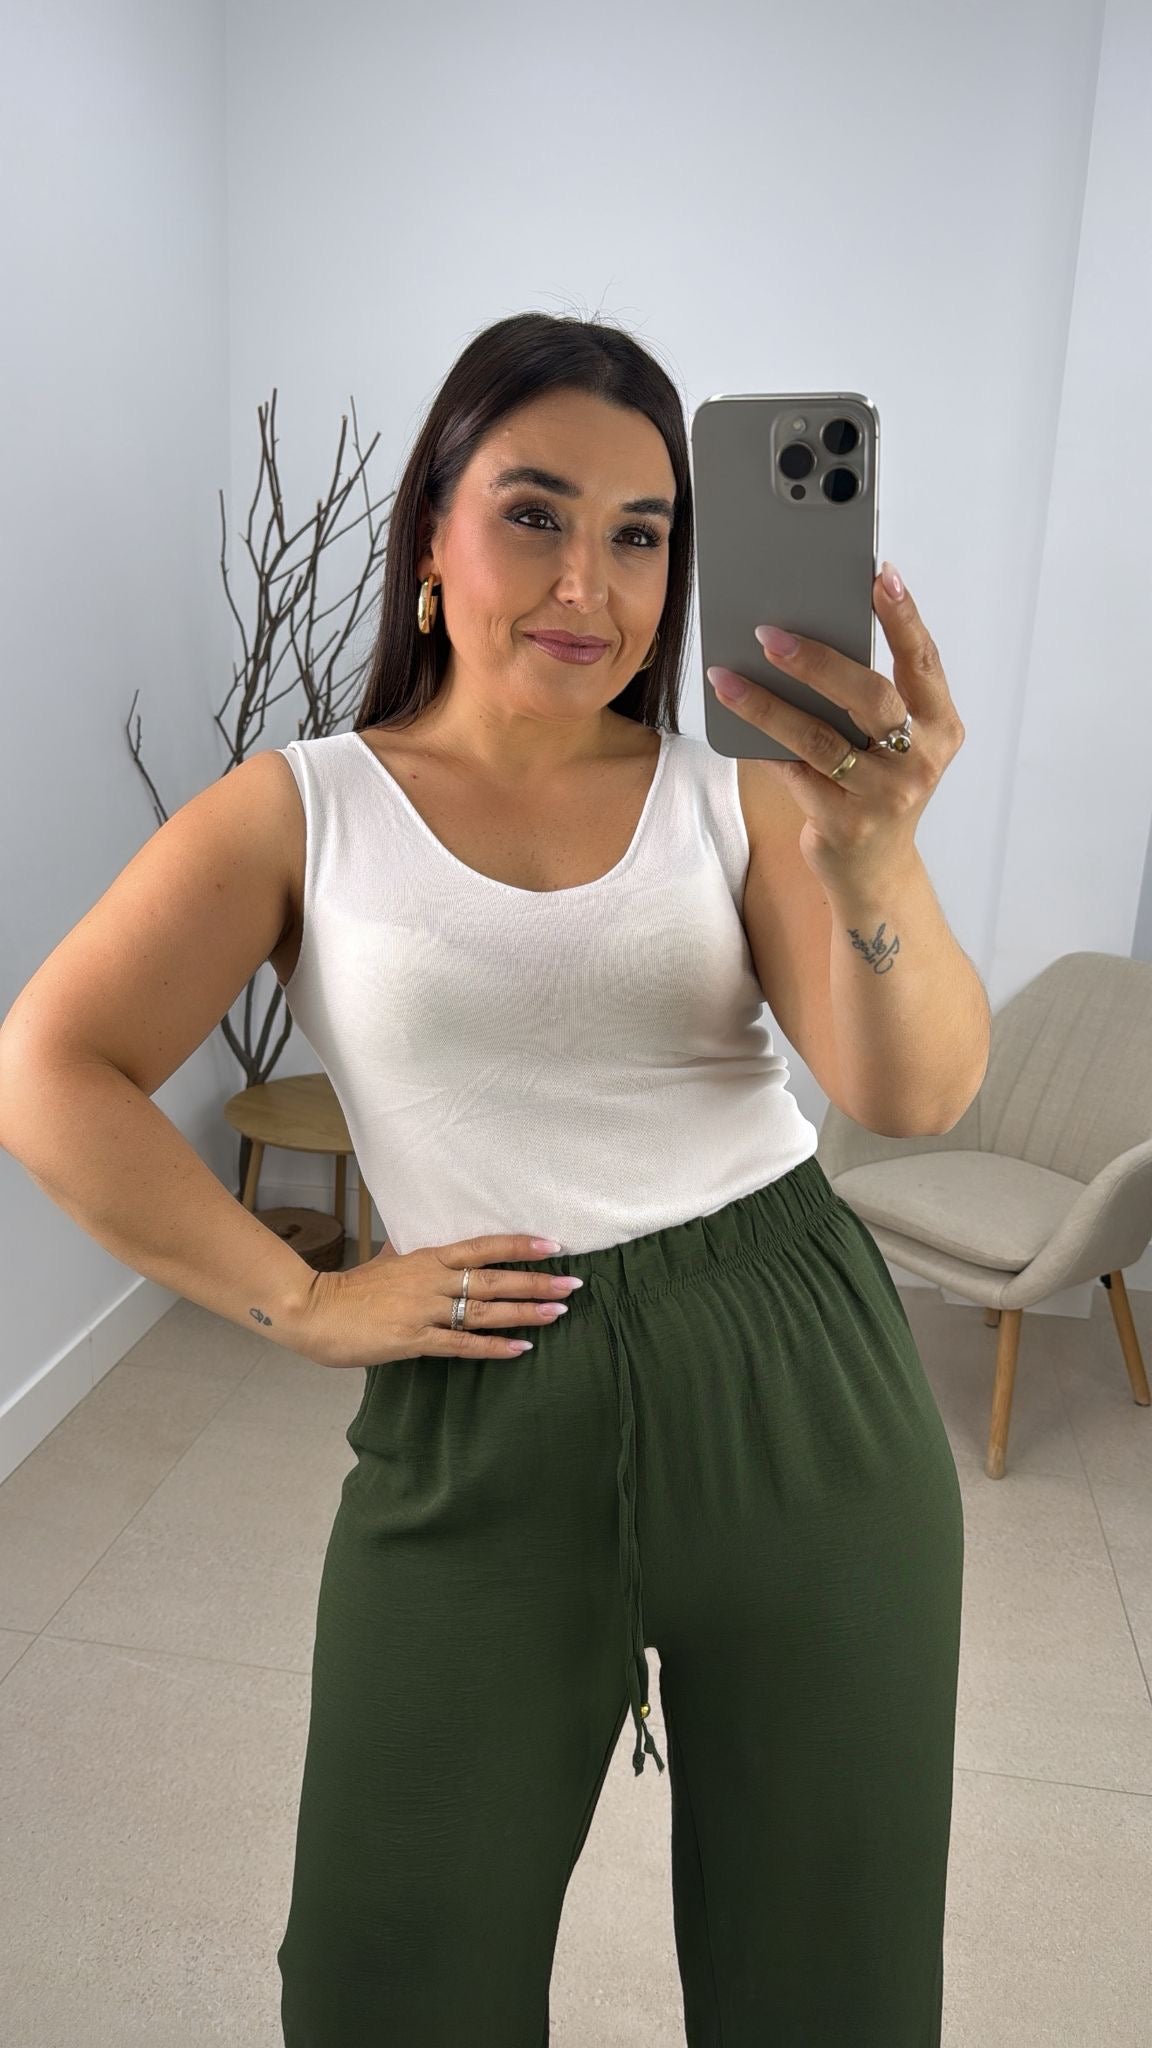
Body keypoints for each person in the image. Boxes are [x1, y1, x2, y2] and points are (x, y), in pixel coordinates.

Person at [270, 314, 966, 2045]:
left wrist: (874, 854)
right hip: (484, 1406)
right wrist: (297, 1294)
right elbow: (49, 1066)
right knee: (384, 1979)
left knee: (832, 1980)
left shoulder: (729, 797)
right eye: (534, 513)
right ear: (431, 538)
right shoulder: (307, 812)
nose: (590, 582)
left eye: (643, 533)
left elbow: (913, 1088)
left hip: (801, 1380)